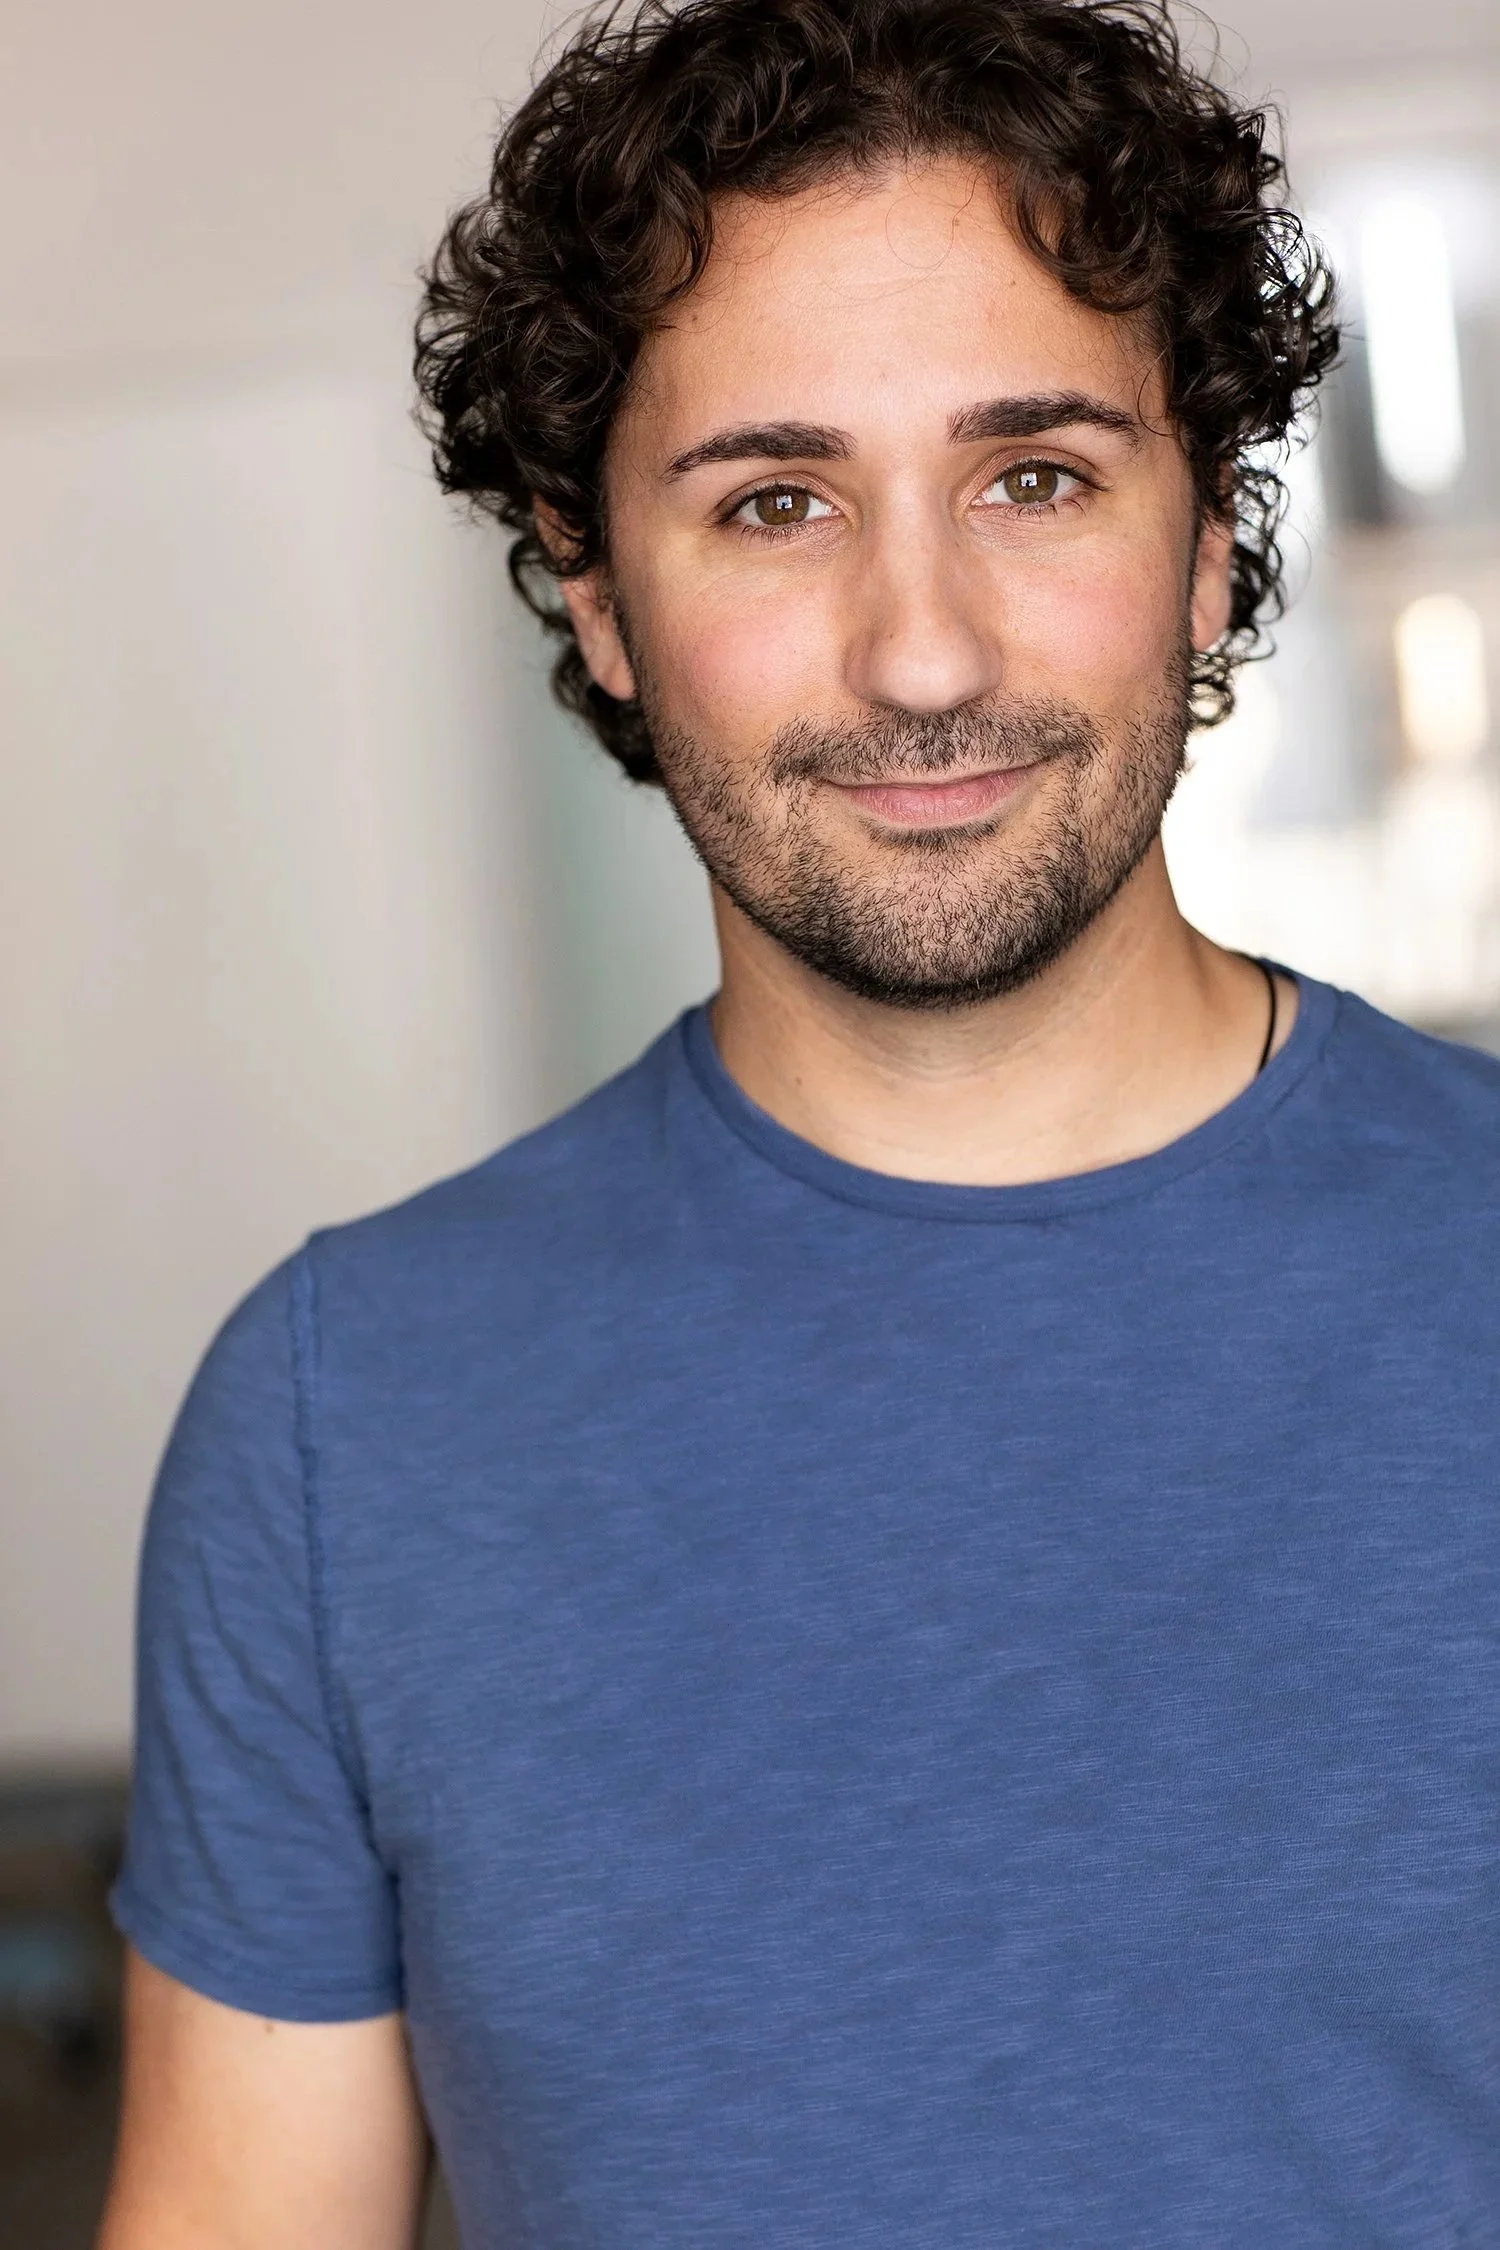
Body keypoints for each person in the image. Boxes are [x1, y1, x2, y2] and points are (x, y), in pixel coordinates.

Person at [98, 1, 1500, 2244]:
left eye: (1034, 476)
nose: (923, 653)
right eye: (775, 502)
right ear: (604, 603)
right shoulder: (340, 1420)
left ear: (1215, 543)